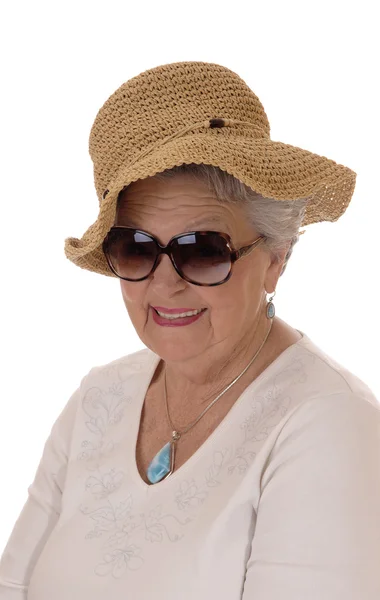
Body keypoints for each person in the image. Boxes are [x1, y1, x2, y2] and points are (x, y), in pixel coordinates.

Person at [1, 61, 379, 600]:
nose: (164, 285)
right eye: (135, 248)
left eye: (202, 251)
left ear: (276, 257)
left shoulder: (329, 425)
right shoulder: (99, 398)